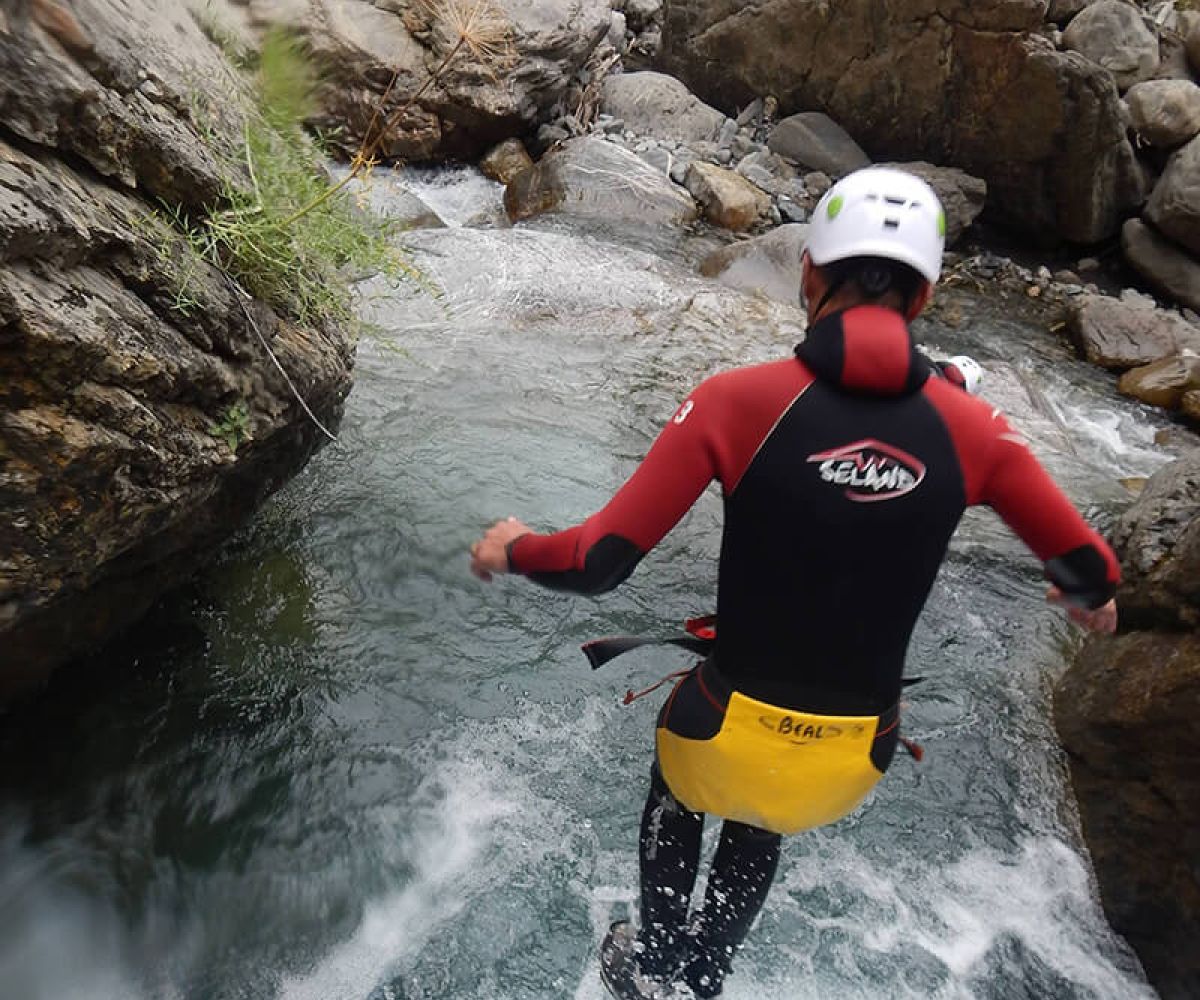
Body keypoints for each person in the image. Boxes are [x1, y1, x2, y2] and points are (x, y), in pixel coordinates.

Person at [468, 167, 1119, 999]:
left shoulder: (735, 401)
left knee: (702, 771)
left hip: (717, 737)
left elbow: (598, 563)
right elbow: (1089, 566)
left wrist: (514, 547)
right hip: (850, 764)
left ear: (809, 273)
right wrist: (1089, 600)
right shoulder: (979, 432)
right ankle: (708, 976)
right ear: (923, 300)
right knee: (765, 805)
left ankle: (653, 966)